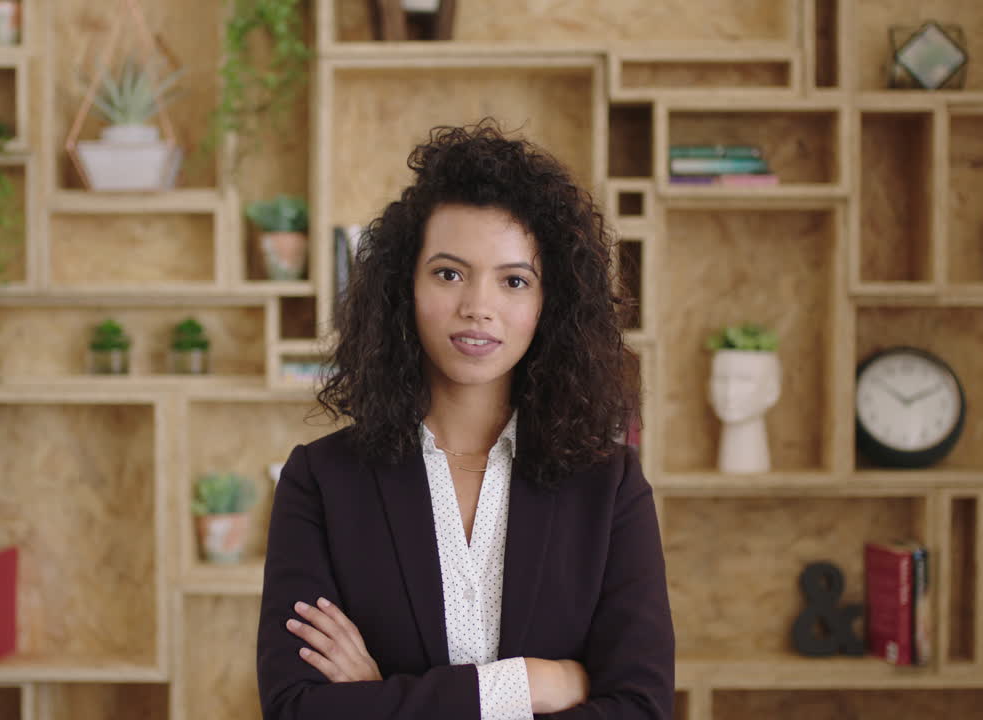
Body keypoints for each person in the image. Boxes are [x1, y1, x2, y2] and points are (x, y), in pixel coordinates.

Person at [257, 120, 675, 719]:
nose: (478, 307)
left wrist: (381, 697)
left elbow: (640, 709)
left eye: (514, 281)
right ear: (405, 287)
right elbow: (297, 710)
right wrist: (529, 684)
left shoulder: (608, 488)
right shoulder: (321, 482)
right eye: (449, 273)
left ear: (548, 304)